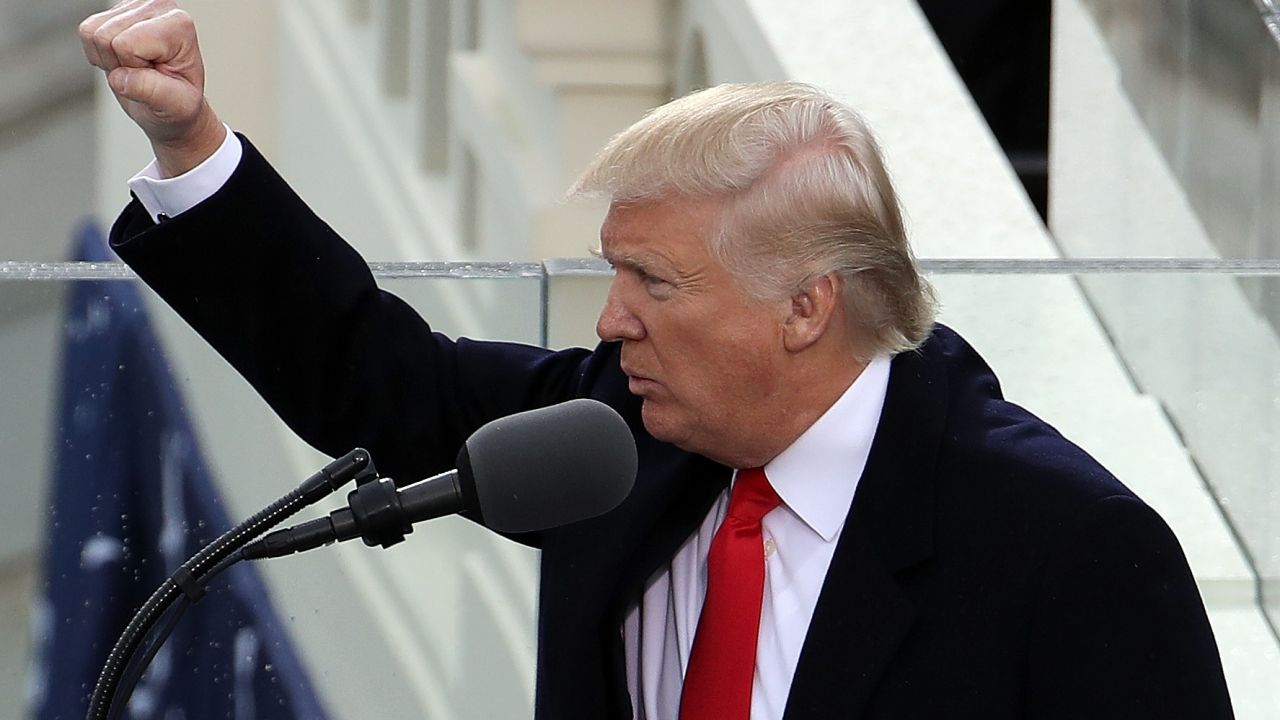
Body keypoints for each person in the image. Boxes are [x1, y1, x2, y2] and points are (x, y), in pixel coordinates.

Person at [80, 2, 1235, 718]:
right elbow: (375, 374)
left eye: (653, 282)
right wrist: (190, 145)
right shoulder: (614, 439)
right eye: (611, 272)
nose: (608, 321)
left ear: (803, 307)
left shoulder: (1062, 546)